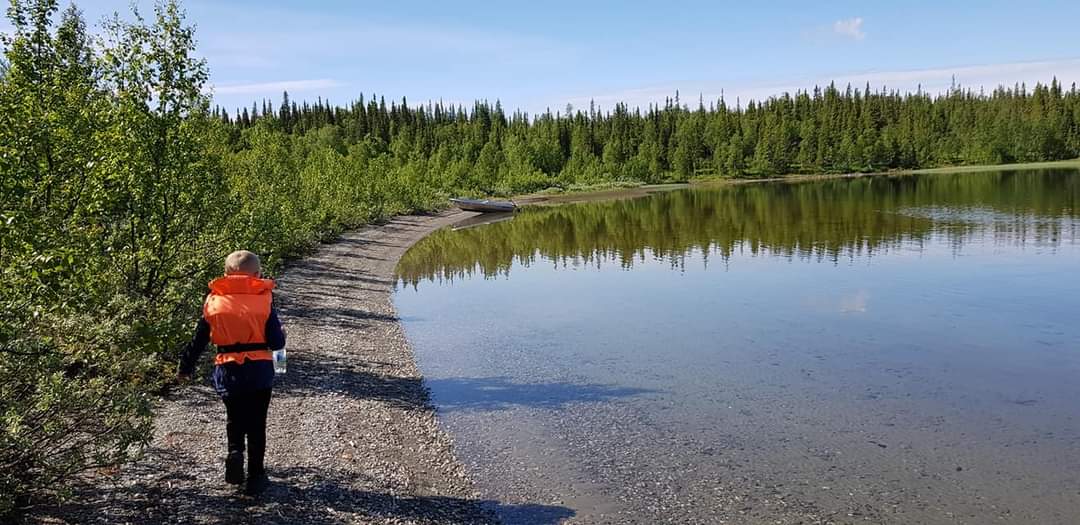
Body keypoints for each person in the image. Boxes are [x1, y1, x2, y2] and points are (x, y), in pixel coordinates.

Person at [177, 250, 285, 496]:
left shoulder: (213, 300)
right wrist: (281, 367)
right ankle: (256, 476)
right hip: (259, 371)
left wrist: (185, 367)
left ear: (226, 274)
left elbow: (199, 340)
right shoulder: (265, 298)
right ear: (257, 274)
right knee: (257, 424)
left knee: (234, 418)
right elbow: (277, 342)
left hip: (227, 368)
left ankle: (235, 453)